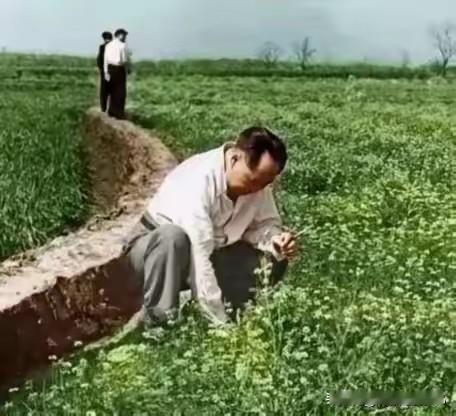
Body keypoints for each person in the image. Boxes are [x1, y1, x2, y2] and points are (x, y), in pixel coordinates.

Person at [122, 127, 299, 327]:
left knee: (273, 257)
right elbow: (199, 256)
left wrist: (276, 240)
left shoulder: (257, 184)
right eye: (253, 181)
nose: (257, 190)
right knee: (172, 237)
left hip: (208, 252)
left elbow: (265, 223)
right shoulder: (198, 180)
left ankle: (237, 313)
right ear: (235, 159)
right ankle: (160, 323)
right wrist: (219, 324)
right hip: (150, 254)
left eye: (265, 184)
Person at [103, 28, 130, 119]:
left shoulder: (108, 45)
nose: (125, 37)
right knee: (120, 92)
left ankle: (111, 111)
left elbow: (105, 59)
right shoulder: (123, 45)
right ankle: (119, 113)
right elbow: (124, 60)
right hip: (119, 69)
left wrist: (106, 71)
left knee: (112, 90)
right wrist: (127, 69)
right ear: (120, 35)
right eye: (124, 35)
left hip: (110, 68)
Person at [96, 31, 113, 112]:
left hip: (104, 71)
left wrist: (101, 68)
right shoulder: (114, 47)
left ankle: (103, 107)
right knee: (113, 89)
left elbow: (99, 59)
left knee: (104, 90)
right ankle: (112, 108)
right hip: (114, 70)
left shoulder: (102, 47)